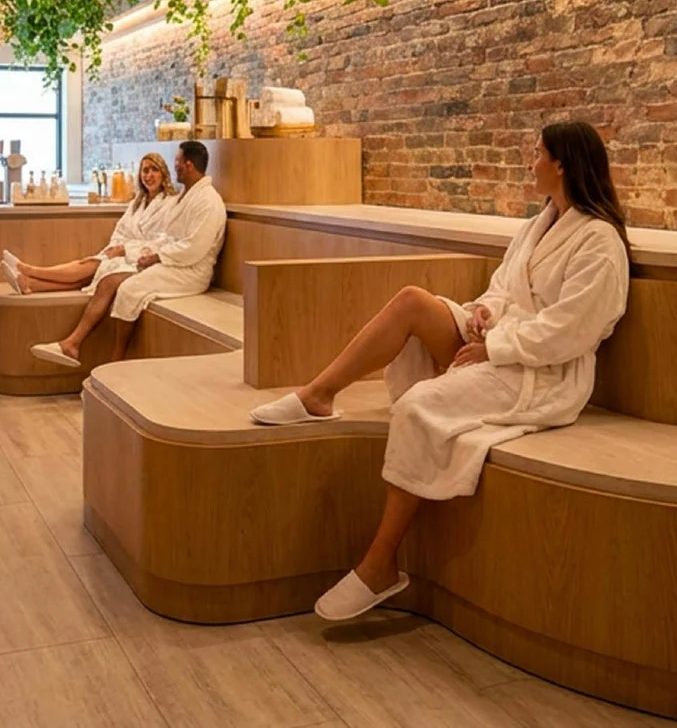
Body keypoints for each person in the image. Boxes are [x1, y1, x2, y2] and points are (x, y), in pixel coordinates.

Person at [248, 120, 630, 621]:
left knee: (416, 407)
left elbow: (572, 330)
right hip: (502, 341)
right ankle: (318, 394)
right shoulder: (539, 223)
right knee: (412, 302)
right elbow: (503, 287)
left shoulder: (599, 242)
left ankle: (380, 564)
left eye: (536, 152)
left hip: (542, 373)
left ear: (561, 164)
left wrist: (495, 348)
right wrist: (483, 313)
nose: (529, 162)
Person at [29, 141, 225, 369]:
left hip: (191, 271)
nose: (175, 167)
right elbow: (167, 238)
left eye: (177, 161)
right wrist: (145, 253)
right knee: (109, 279)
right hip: (170, 261)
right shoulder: (186, 196)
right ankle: (72, 343)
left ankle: (117, 360)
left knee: (128, 289)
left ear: (188, 165)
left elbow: (193, 248)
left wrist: (155, 256)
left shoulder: (207, 201)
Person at [0, 151, 177, 296]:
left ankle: (29, 270)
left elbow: (164, 242)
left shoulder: (171, 204)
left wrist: (127, 250)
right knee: (87, 274)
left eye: (154, 170)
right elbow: (121, 231)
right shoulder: (137, 203)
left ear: (164, 173)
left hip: (143, 259)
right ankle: (29, 284)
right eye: (145, 170)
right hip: (122, 253)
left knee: (90, 266)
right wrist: (115, 248)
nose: (149, 175)